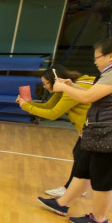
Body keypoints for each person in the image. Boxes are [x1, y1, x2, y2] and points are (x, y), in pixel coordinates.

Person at [37, 38, 112, 223]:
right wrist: (72, 85)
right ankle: (62, 203)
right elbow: (96, 93)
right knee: (85, 165)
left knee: (103, 176)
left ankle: (99, 219)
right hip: (111, 129)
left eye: (97, 57)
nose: (95, 62)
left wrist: (64, 88)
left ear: (111, 56)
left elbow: (88, 97)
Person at [17, 65, 95, 197]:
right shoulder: (66, 87)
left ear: (55, 79)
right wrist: (27, 104)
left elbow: (53, 113)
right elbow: (48, 105)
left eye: (45, 83)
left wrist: (27, 108)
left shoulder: (70, 90)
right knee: (79, 155)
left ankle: (70, 189)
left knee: (82, 159)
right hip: (86, 129)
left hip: (93, 130)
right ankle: (78, 187)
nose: (45, 87)